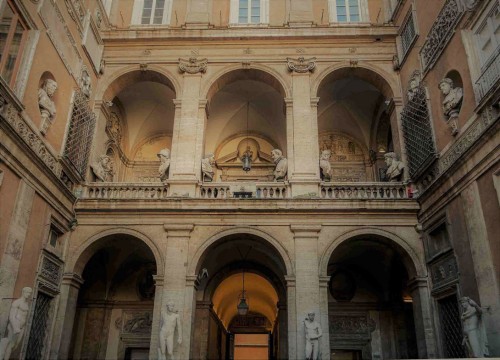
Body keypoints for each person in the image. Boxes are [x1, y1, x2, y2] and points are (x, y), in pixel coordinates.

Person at [0, 287, 33, 360]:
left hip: (22, 327)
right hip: (15, 327)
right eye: (27, 292)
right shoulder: (17, 302)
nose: (29, 294)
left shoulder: (26, 304)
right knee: (10, 344)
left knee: (15, 345)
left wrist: (23, 327)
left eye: (30, 293)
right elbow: (12, 317)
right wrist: (15, 328)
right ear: (23, 292)